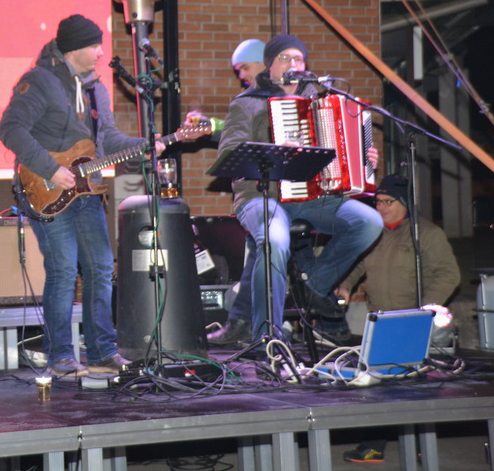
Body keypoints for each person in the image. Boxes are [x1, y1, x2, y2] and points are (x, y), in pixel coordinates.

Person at [0, 14, 148, 377]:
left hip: (86, 190)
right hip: (46, 189)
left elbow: (108, 139)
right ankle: (60, 356)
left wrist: (149, 145)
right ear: (73, 50)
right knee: (64, 269)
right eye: (94, 45)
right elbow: (11, 128)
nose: (100, 53)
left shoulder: (96, 89)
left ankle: (102, 352)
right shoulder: (40, 81)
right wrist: (50, 169)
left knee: (101, 266)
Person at [216, 34, 383, 346]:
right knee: (275, 240)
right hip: (261, 196)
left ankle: (313, 285)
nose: (292, 63)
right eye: (284, 58)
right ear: (269, 65)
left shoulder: (322, 102)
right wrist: (276, 150)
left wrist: (363, 159)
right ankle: (268, 338)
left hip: (312, 197)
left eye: (298, 58)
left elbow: (340, 153)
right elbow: (229, 156)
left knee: (369, 222)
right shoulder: (247, 103)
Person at [336, 173, 460, 463]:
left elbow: (449, 273)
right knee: (378, 384)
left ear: (404, 202)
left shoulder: (425, 234)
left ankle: (420, 445)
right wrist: (345, 285)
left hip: (412, 321)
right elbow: (357, 264)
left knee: (413, 387)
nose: (381, 207)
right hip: (381, 322)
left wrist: (424, 309)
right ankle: (374, 445)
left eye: (387, 201)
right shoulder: (374, 232)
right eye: (377, 202)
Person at [189, 38, 267, 346]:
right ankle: (240, 322)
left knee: (270, 253)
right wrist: (210, 126)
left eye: (244, 68)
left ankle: (247, 324)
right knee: (259, 253)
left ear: (264, 62)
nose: (242, 76)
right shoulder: (250, 100)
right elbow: (240, 131)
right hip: (266, 193)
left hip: (293, 194)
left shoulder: (283, 96)